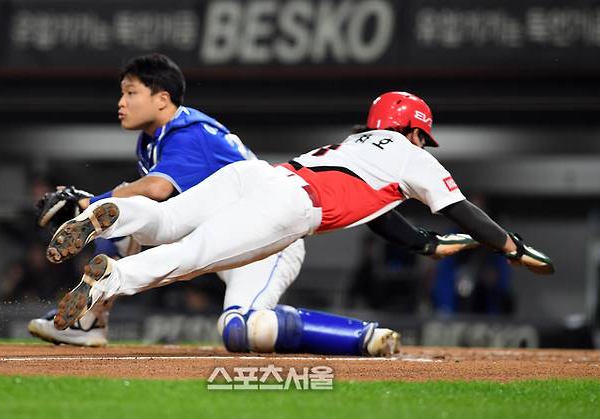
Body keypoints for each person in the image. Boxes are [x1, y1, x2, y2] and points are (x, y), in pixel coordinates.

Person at [45, 91, 553, 356]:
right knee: (192, 256)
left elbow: (379, 216)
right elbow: (462, 210)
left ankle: (104, 214)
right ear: (413, 130)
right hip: (289, 207)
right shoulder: (409, 154)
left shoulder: (356, 144)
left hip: (256, 175)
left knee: (167, 218)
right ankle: (112, 278)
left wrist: (423, 245)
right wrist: (510, 247)